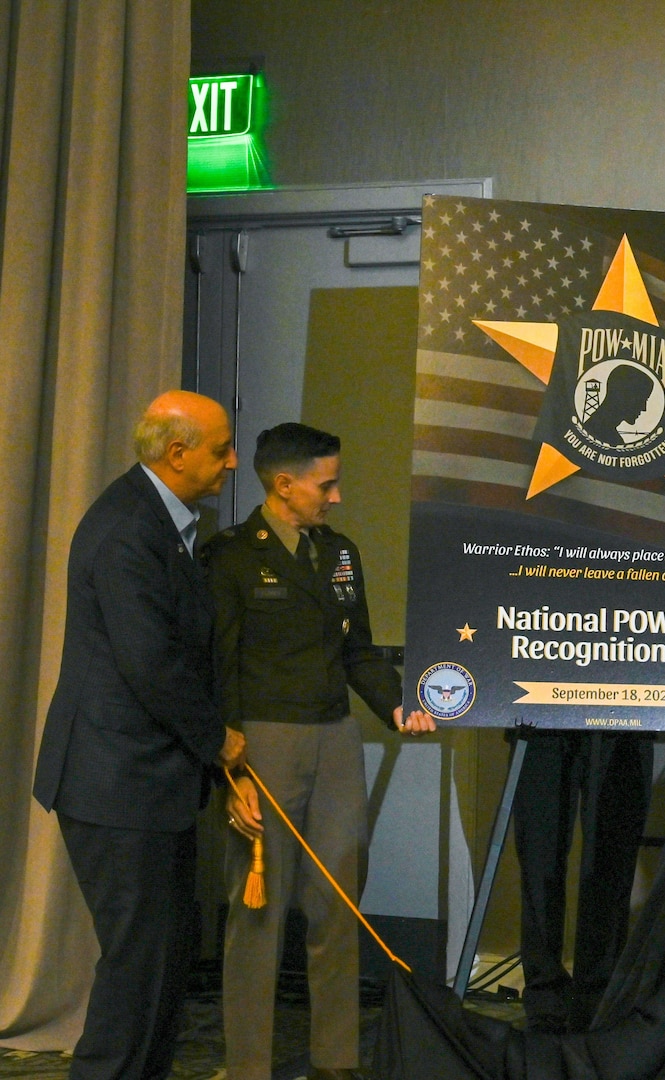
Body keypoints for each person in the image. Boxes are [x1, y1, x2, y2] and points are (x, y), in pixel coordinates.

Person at [204, 423, 435, 1080]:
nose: (335, 498)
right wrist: (231, 775)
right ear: (284, 484)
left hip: (335, 740)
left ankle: (335, 1060)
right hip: (262, 742)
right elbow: (217, 668)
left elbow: (357, 651)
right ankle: (249, 1066)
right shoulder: (230, 557)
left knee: (338, 902)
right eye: (325, 485)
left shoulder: (339, 554)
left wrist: (397, 706)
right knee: (259, 911)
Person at [33, 390, 245, 1080]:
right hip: (116, 781)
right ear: (177, 454)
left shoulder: (156, 519)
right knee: (138, 963)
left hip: (144, 781)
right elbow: (151, 662)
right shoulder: (129, 528)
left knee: (162, 957)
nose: (232, 463)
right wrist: (218, 742)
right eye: (222, 449)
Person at [509, 728, 654, 1032]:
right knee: (539, 862)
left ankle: (596, 1000)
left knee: (611, 865)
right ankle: (547, 1004)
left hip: (627, 719)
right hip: (541, 718)